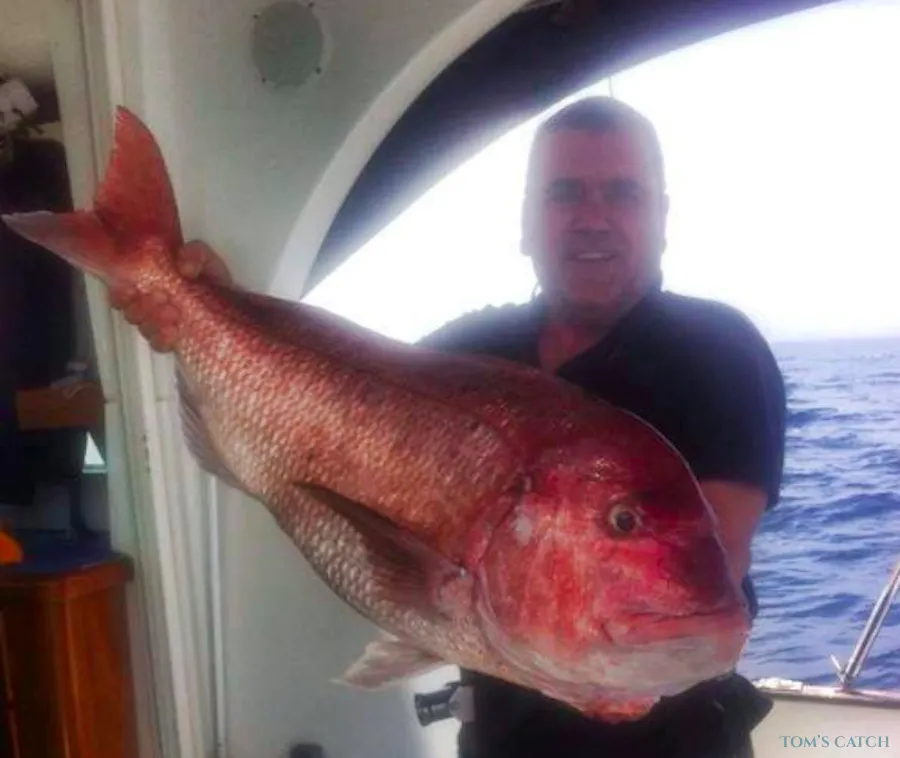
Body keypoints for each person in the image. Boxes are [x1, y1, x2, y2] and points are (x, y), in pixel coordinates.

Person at [109, 95, 786, 758]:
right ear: (526, 224)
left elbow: (714, 563)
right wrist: (208, 305)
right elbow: (330, 387)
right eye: (564, 194)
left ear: (662, 217)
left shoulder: (718, 350)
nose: (593, 218)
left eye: (623, 194)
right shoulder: (472, 345)